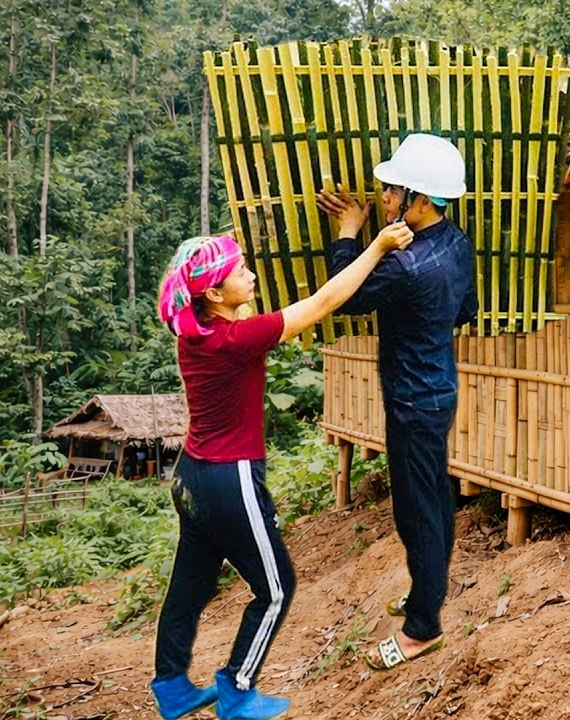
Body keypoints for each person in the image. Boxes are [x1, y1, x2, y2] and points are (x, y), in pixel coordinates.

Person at [149, 192, 412, 720]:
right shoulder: (237, 339)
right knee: (275, 589)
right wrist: (377, 244)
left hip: (191, 478)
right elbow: (323, 303)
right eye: (238, 271)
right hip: (230, 479)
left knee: (190, 584)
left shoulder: (196, 335)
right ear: (215, 293)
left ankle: (173, 687)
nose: (249, 275)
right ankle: (238, 690)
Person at [324, 133, 477, 671]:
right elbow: (466, 311)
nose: (382, 199)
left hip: (413, 400)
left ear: (418, 200)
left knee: (419, 510)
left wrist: (349, 235)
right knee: (431, 499)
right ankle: (425, 596)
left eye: (390, 190)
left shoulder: (406, 267)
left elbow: (344, 294)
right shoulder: (457, 244)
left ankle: (422, 628)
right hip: (438, 389)